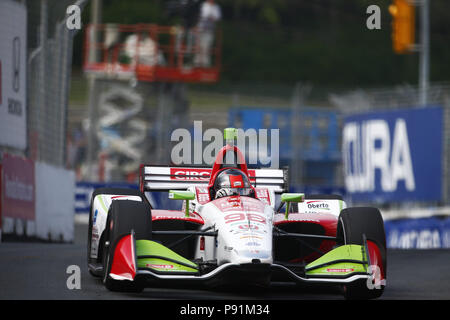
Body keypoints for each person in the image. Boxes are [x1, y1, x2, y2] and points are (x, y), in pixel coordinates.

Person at [194, 0, 221, 67]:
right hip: (201, 28)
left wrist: (211, 17)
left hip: (210, 30)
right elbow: (203, 15)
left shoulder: (216, 7)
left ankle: (205, 63)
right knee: (199, 46)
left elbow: (217, 17)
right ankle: (197, 62)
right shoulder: (203, 5)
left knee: (207, 46)